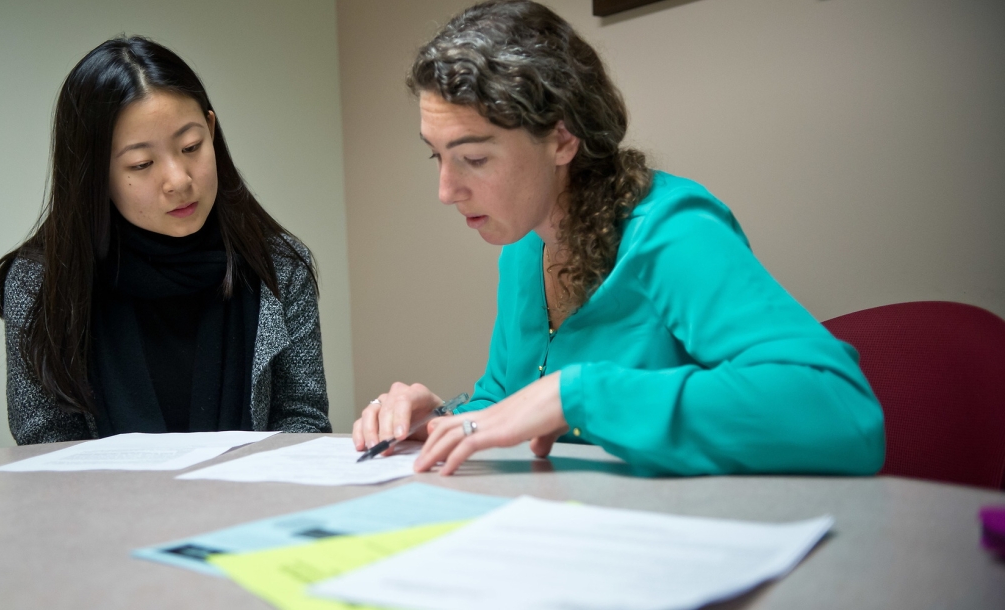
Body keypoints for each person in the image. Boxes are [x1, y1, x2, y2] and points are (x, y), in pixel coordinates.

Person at [352, 0, 885, 477]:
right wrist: (443, 421)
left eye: (473, 158)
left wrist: (581, 393)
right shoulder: (524, 245)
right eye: (436, 155)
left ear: (561, 139)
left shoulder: (671, 230)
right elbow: (511, 400)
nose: (446, 191)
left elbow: (843, 412)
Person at [0, 37, 330, 444]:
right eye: (141, 164)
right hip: (98, 508)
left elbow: (303, 421)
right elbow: (45, 448)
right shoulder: (41, 283)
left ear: (212, 131)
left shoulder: (279, 266)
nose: (179, 180)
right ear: (94, 174)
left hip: (257, 505)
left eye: (191, 147)